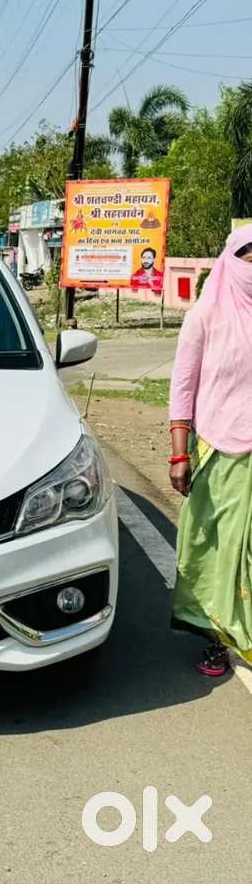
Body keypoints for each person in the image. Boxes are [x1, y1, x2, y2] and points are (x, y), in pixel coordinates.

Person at [169, 226, 252, 675]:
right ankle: (217, 638)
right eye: (250, 260)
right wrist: (179, 454)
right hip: (216, 450)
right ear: (232, 261)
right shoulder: (206, 315)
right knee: (215, 551)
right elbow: (182, 387)